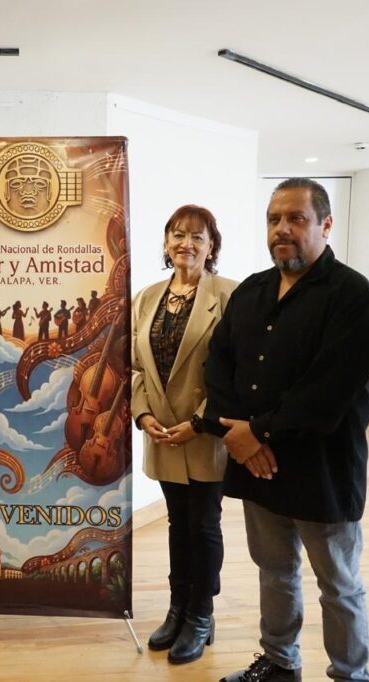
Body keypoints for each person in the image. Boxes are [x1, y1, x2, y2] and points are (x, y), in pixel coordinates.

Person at [202, 178, 369, 682]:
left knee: (338, 583)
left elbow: (328, 389)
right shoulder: (252, 290)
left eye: (296, 218)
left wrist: (255, 434)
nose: (282, 229)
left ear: (326, 225)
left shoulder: (352, 295)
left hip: (322, 468)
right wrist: (235, 435)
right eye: (274, 219)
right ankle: (280, 663)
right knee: (274, 570)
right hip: (257, 464)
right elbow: (218, 365)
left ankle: (350, 674)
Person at [131, 204, 236, 665]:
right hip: (161, 432)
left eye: (197, 236)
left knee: (204, 525)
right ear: (166, 242)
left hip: (205, 433)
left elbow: (237, 374)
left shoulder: (230, 295)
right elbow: (134, 367)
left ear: (211, 246)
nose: (185, 243)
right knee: (179, 524)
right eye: (177, 234)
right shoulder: (146, 298)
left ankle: (201, 615)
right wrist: (142, 415)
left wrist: (199, 423)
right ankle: (177, 610)